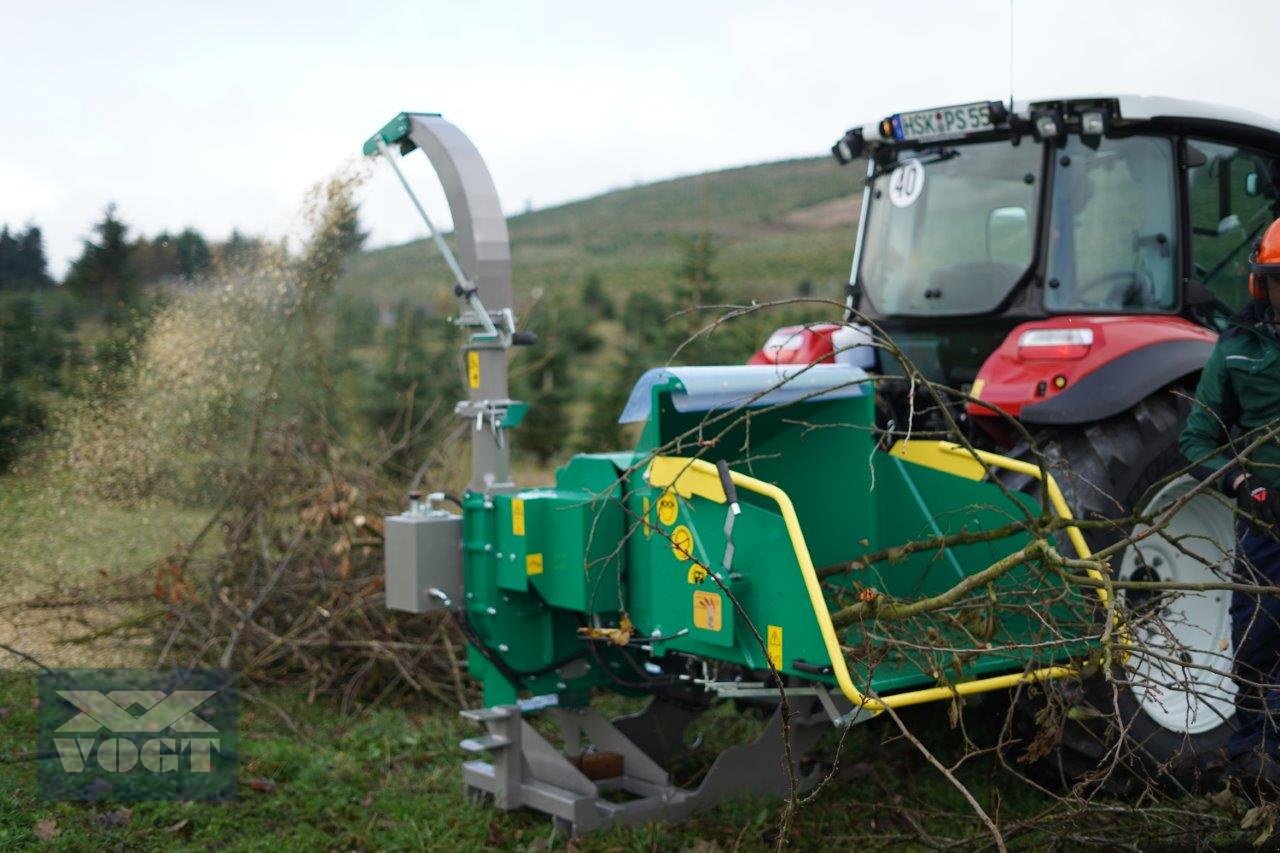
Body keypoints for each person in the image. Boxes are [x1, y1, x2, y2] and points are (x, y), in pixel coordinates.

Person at [1181, 217, 1280, 792]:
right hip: (1266, 526)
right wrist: (1243, 484)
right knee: (1257, 644)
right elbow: (1196, 439)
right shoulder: (1237, 349)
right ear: (1262, 286)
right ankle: (1257, 767)